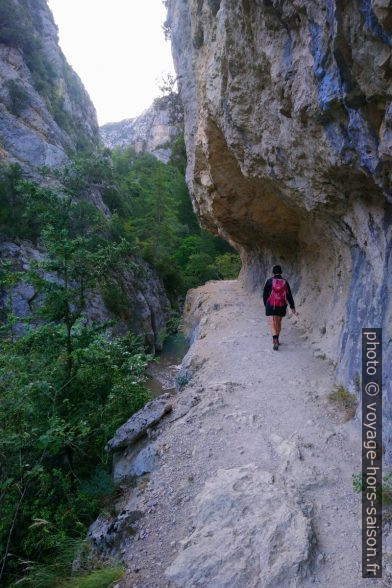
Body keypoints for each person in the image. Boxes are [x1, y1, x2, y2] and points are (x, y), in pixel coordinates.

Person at [263, 264, 297, 350]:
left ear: (273, 272)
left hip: (271, 305)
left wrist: (266, 304)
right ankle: (277, 339)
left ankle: (274, 339)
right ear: (281, 272)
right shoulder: (285, 282)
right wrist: (292, 307)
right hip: (281, 305)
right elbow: (289, 296)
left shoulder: (269, 281)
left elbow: (264, 295)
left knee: (271, 322)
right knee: (278, 322)